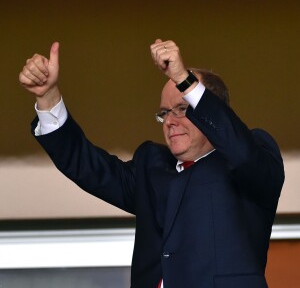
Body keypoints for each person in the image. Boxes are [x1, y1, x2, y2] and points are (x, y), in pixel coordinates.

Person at [19, 39, 284, 288]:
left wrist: (183, 78)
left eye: (182, 109)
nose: (170, 121)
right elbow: (87, 166)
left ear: (210, 109)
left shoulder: (255, 155)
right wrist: (48, 97)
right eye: (164, 113)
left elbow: (241, 151)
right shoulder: (152, 166)